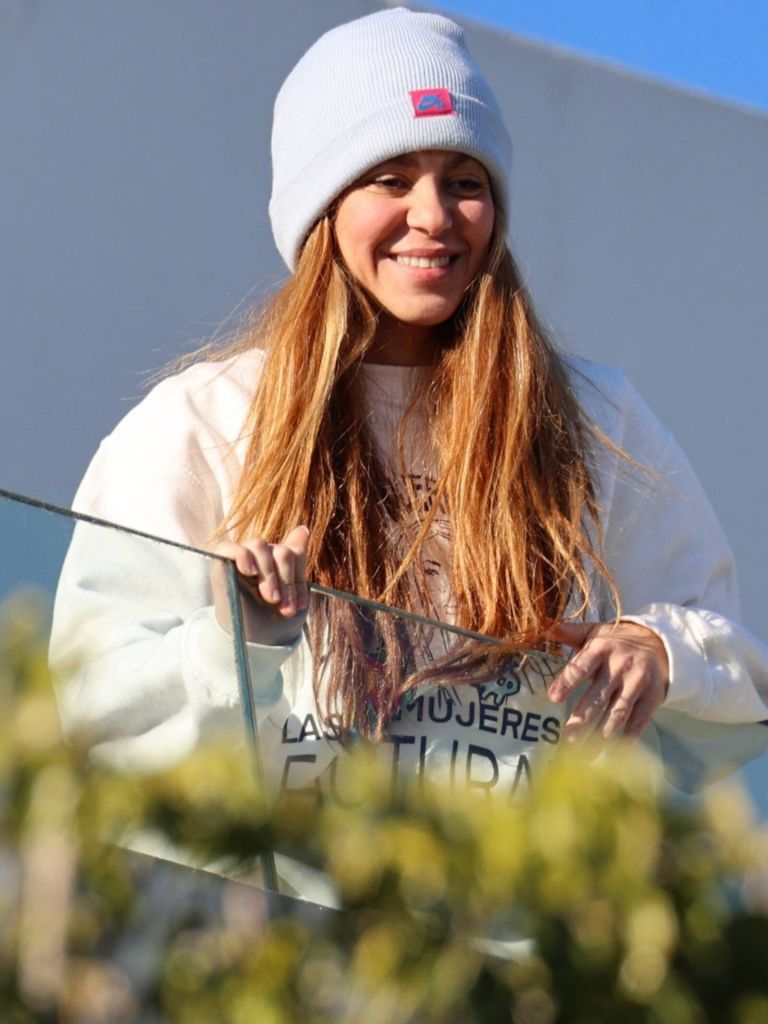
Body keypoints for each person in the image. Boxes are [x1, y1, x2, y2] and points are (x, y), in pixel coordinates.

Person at [51, 8, 768, 799]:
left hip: (518, 877)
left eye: (465, 182)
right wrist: (233, 638)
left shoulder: (592, 418)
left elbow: (737, 681)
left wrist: (659, 650)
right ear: (321, 209)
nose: (433, 216)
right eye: (390, 179)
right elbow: (93, 708)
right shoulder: (206, 420)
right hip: (278, 874)